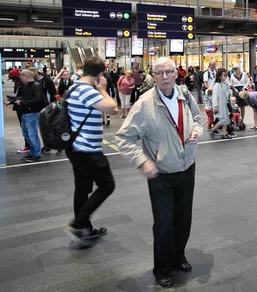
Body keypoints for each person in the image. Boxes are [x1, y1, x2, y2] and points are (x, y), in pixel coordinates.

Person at [115, 57, 201, 288]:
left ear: (176, 74)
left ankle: (178, 256)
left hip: (187, 167)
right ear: (153, 75)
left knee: (183, 219)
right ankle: (162, 268)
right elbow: (124, 138)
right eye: (159, 73)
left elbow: (199, 118)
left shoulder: (185, 95)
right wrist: (143, 161)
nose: (164, 77)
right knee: (164, 224)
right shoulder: (144, 104)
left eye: (169, 72)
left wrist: (198, 129)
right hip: (161, 173)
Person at [64, 56, 118, 247]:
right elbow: (113, 109)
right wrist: (103, 89)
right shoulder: (87, 91)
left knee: (83, 188)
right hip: (88, 149)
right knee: (107, 186)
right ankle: (78, 224)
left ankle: (84, 229)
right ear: (100, 74)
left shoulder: (73, 86)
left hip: (75, 147)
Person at [5, 70, 46, 162]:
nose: (20, 79)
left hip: (32, 113)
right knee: (27, 134)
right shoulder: (27, 86)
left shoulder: (35, 86)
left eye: (21, 77)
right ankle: (33, 153)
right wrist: (12, 101)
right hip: (26, 113)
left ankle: (36, 154)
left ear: (26, 76)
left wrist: (22, 102)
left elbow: (38, 100)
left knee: (32, 135)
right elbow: (22, 97)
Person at [211, 68, 234, 139]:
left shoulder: (224, 83)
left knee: (226, 119)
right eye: (224, 75)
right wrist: (215, 106)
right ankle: (213, 130)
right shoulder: (217, 85)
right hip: (220, 105)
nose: (225, 76)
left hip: (224, 104)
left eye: (226, 75)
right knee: (223, 120)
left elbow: (228, 93)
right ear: (220, 76)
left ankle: (224, 134)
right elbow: (215, 97)